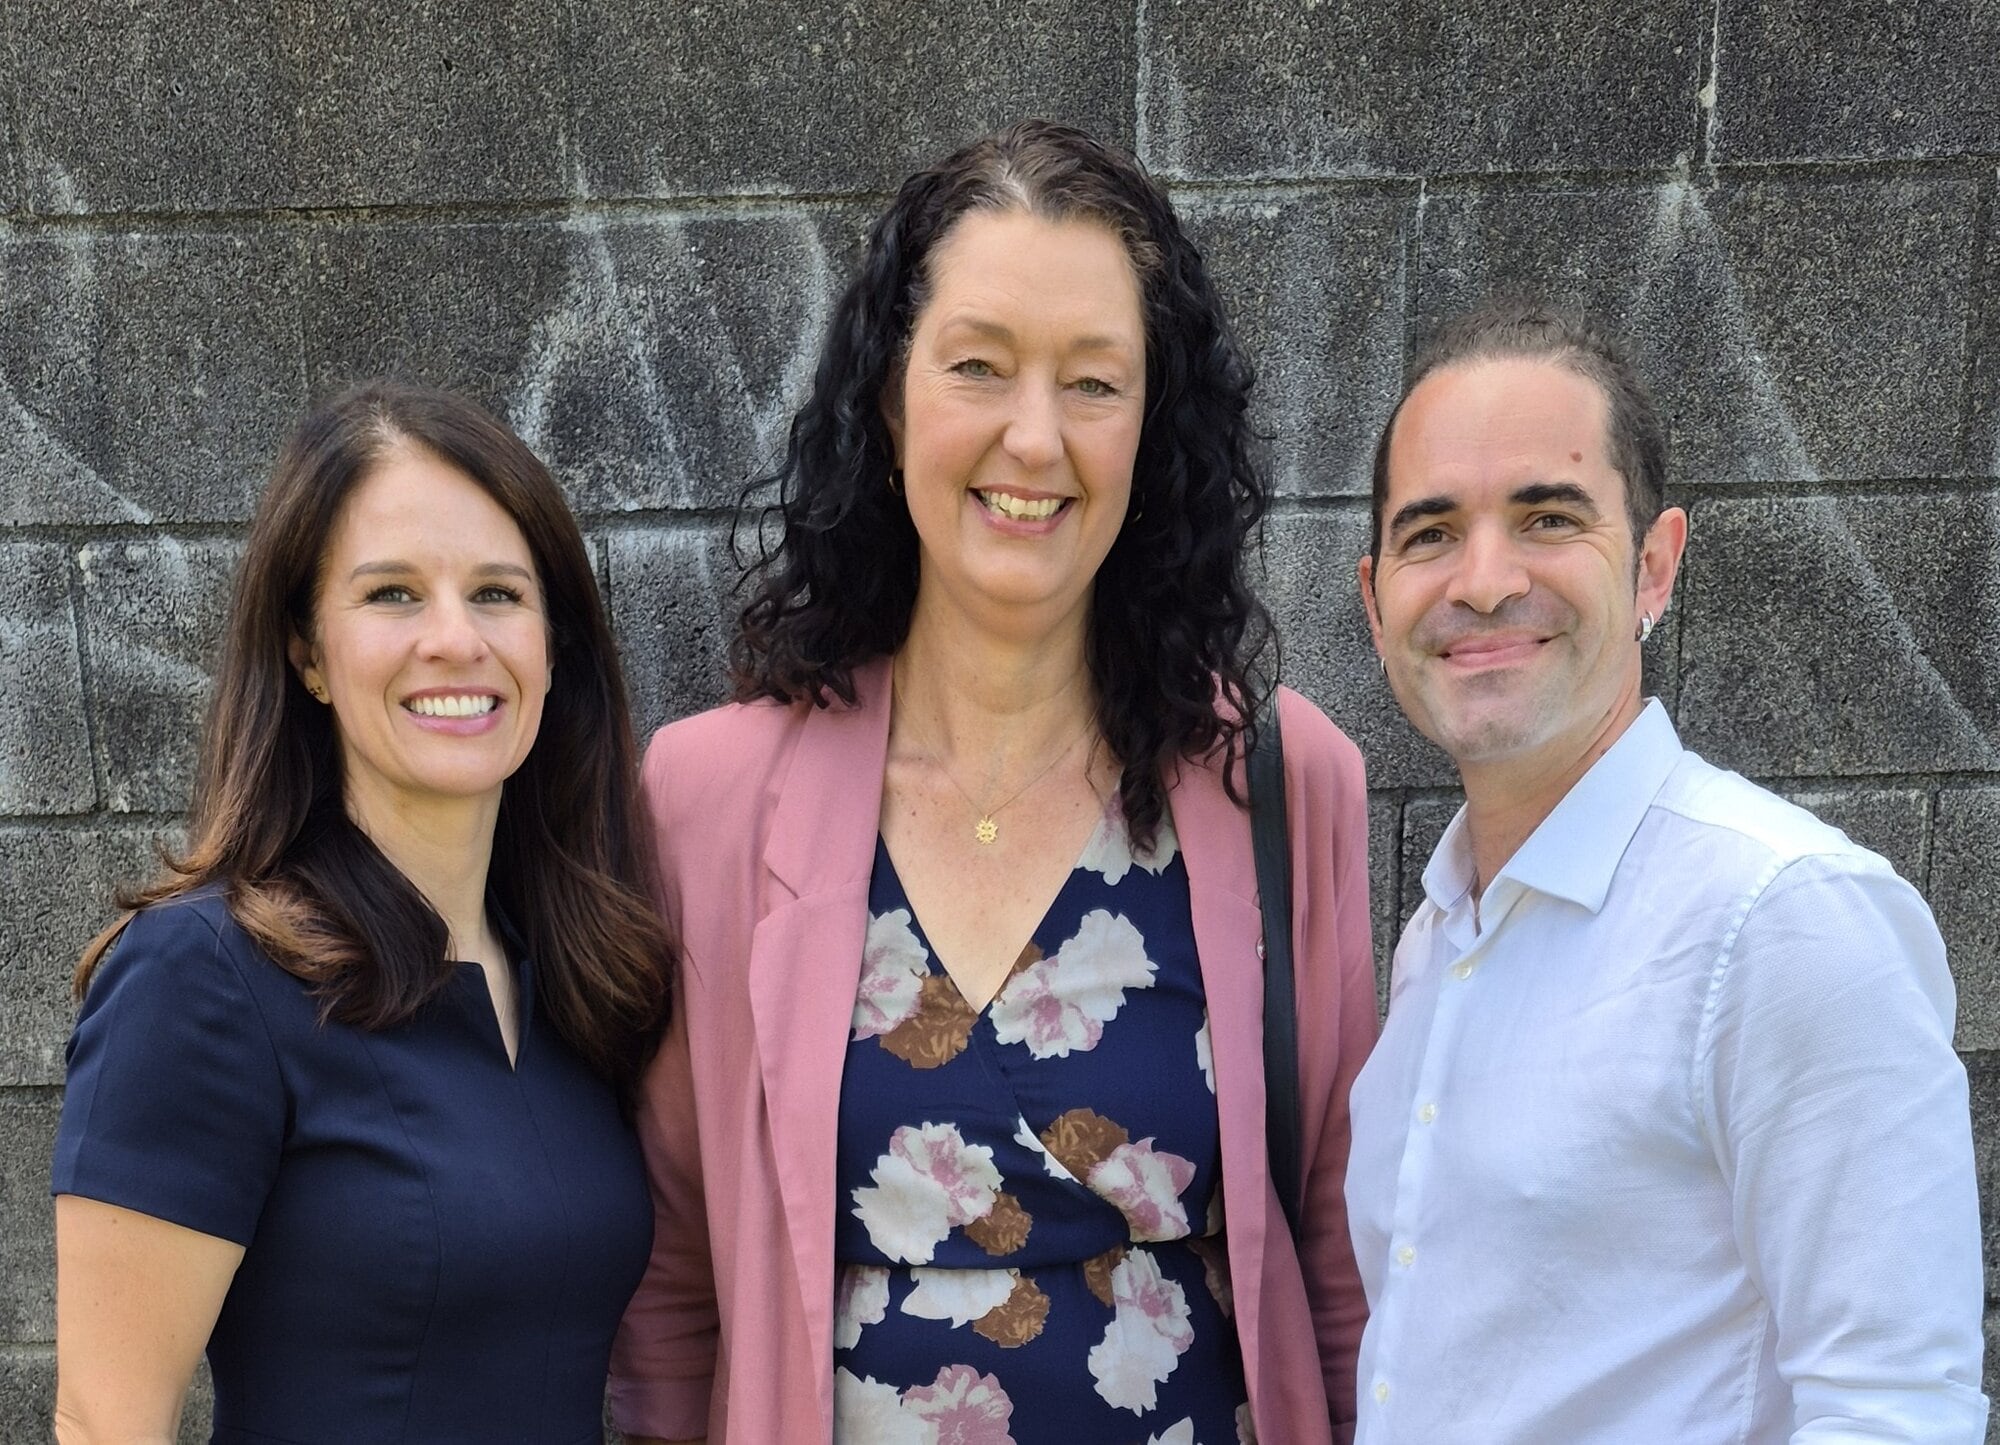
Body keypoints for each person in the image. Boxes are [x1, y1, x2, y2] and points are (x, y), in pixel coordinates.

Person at [609, 120, 1377, 1445]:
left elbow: (1348, 1262)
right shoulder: (707, 797)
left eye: (1094, 382)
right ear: (891, 400)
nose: (1036, 437)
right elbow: (672, 1283)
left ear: (1155, 426)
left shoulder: (1283, 782)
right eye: (978, 367)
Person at [1345, 300, 1987, 1442]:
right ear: (1372, 597)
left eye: (1546, 517)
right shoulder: (1436, 936)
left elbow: (1893, 1409)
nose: (1482, 580)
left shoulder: (1785, 920)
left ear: (1652, 565)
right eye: (1429, 532)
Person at [51, 381, 672, 1444]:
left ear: (552, 643)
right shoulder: (203, 979)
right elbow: (106, 1422)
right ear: (306, 652)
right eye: (391, 594)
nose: (453, 639)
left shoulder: (573, 980)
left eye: (497, 593)